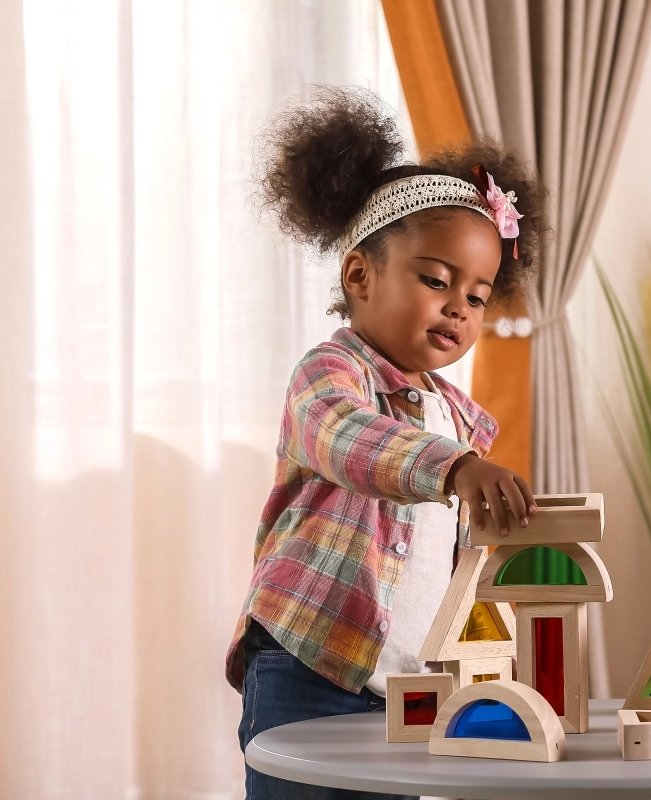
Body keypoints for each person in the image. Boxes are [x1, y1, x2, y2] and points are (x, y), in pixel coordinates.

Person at [226, 86, 545, 800]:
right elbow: (348, 439)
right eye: (436, 280)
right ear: (360, 275)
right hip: (312, 667)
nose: (458, 307)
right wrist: (455, 468)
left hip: (409, 686)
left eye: (477, 297)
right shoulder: (330, 374)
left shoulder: (460, 418)